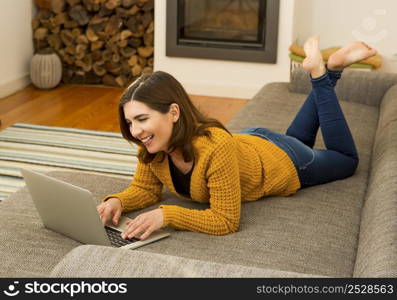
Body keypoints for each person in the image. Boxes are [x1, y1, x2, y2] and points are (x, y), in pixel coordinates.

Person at [97, 36, 377, 241]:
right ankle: (332, 68)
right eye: (130, 122)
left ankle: (321, 73)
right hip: (254, 144)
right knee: (296, 138)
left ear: (173, 112)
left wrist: (167, 215)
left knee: (347, 160)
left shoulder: (214, 147)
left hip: (285, 161)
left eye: (142, 119)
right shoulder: (151, 146)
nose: (135, 131)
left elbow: (225, 220)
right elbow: (145, 190)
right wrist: (118, 201)